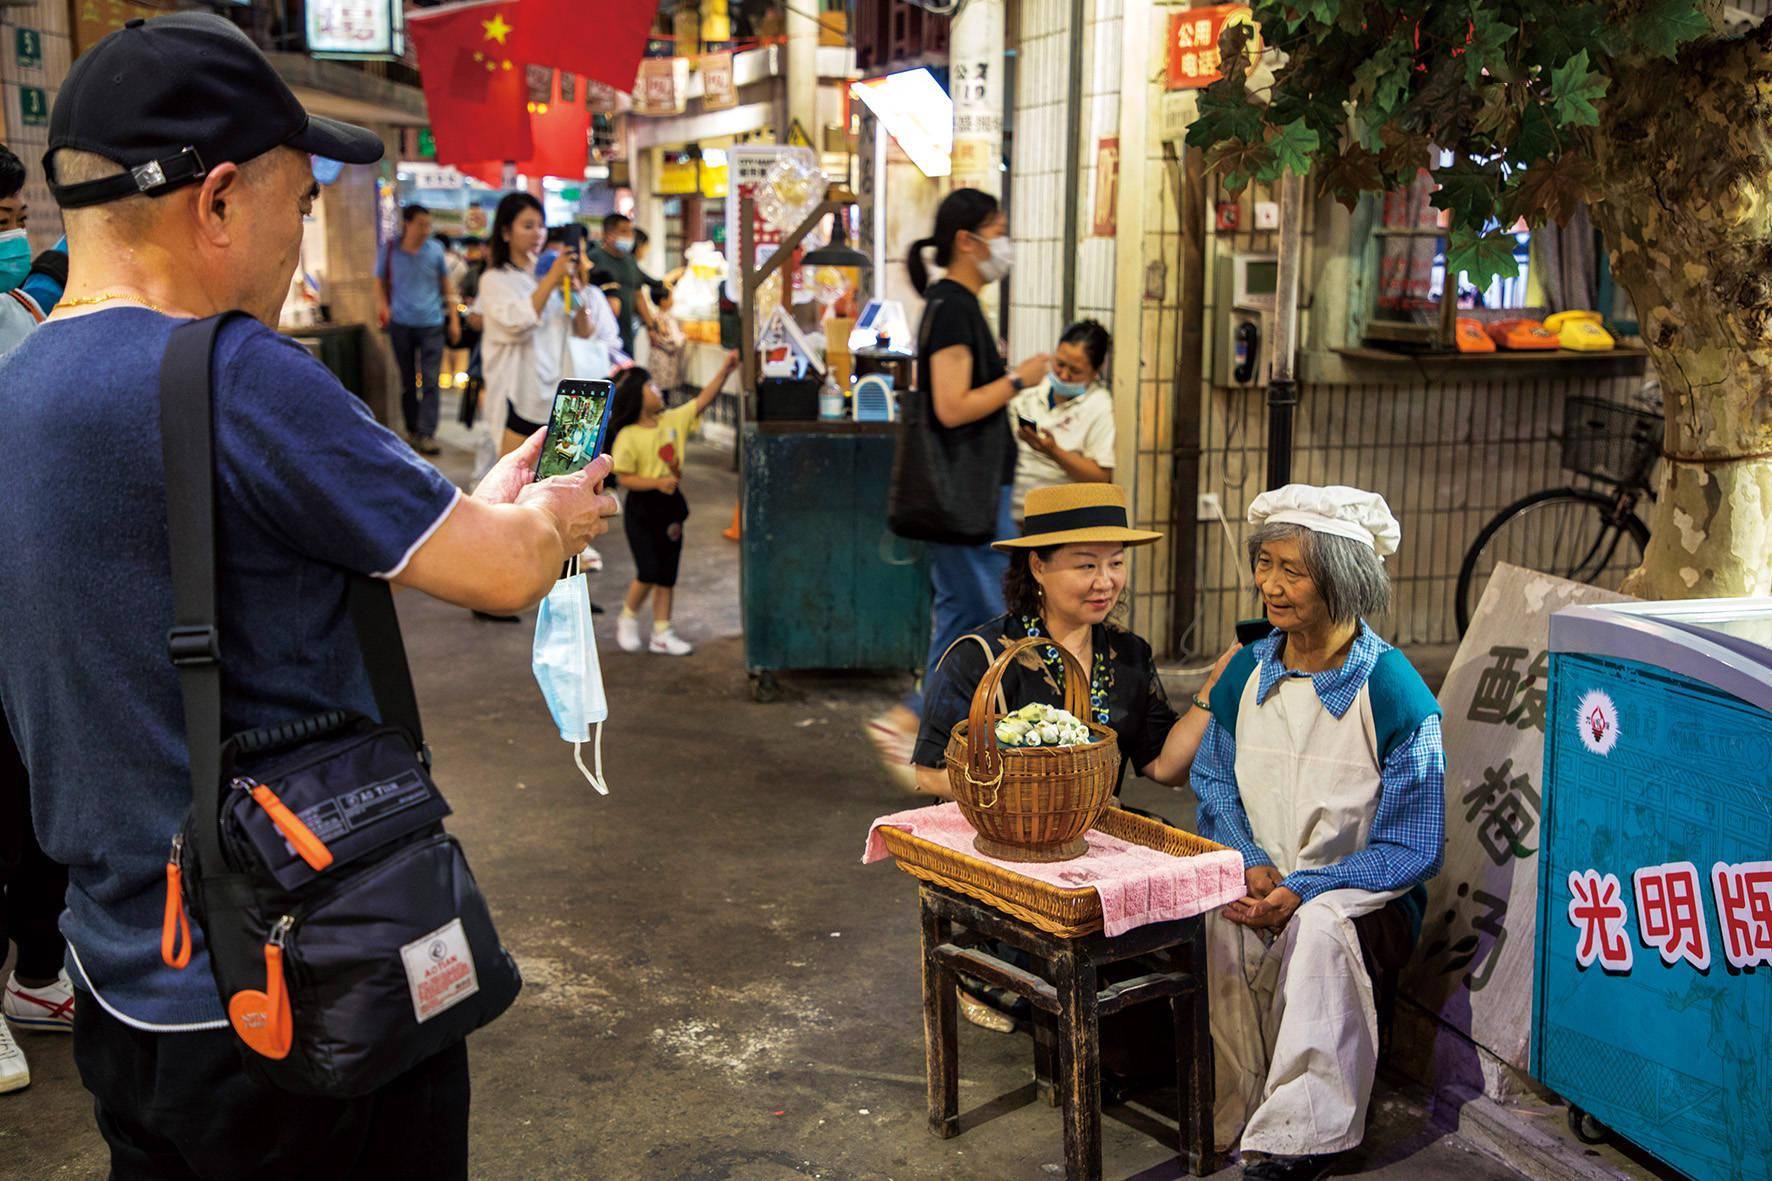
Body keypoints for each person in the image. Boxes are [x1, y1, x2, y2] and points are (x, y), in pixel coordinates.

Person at [0, 15, 618, 1175]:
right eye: (299, 202)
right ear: (219, 201)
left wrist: (478, 507)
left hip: (126, 982)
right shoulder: (233, 372)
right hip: (297, 984)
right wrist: (557, 519)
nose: (299, 238)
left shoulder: (17, 387)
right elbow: (501, 569)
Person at [1190, 484, 1444, 1181]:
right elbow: (1212, 779)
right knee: (1216, 919)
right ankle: (1234, 1108)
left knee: (1319, 932)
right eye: (1265, 564)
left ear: (1344, 580)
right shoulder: (1247, 669)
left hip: (1361, 895)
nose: (1270, 585)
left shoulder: (1394, 691)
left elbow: (1413, 846)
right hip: (1264, 873)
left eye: (1291, 570)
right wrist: (1247, 859)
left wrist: (1306, 886)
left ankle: (1304, 1135)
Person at [867, 188, 1051, 781]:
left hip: (972, 496)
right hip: (965, 500)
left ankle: (924, 738)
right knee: (989, 617)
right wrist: (1018, 379)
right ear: (968, 241)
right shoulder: (952, 306)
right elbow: (950, 407)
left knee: (963, 618)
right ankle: (927, 729)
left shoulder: (957, 304)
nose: (1006, 242)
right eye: (998, 229)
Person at [913, 483, 1232, 798]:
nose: (1105, 582)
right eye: (1087, 565)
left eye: (1116, 563)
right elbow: (929, 774)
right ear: (1038, 566)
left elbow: (1164, 765)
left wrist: (1213, 686)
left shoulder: (1129, 654)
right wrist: (1024, 794)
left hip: (1093, 836)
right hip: (1001, 839)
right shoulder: (980, 657)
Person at [609, 351, 741, 655]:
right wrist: (656, 482)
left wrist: (724, 371)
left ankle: (661, 632)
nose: (658, 390)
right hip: (642, 509)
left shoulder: (672, 420)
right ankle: (628, 617)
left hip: (670, 508)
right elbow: (624, 477)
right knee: (648, 570)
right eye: (651, 386)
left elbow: (703, 400)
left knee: (667, 573)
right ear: (637, 397)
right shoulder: (627, 436)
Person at [476, 193, 588, 460]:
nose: (538, 233)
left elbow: (584, 331)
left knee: (554, 480)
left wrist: (575, 291)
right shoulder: (494, 279)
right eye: (528, 226)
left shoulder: (551, 272)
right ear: (505, 232)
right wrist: (551, 279)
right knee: (516, 478)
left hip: (559, 395)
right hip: (518, 395)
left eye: (541, 225)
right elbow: (517, 324)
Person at [375, 204, 458, 455]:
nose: (425, 230)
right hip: (400, 324)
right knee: (408, 381)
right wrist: (384, 308)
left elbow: (447, 286)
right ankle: (412, 431)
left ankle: (427, 433)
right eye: (421, 224)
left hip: (432, 323)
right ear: (407, 223)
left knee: (431, 381)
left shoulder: (435, 250)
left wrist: (453, 318)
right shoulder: (389, 250)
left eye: (428, 225)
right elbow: (378, 282)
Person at [1011, 319, 1116, 517]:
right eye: (1059, 364)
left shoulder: (1099, 406)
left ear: (1095, 371)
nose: (1063, 375)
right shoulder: (1032, 388)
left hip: (1058, 518)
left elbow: (1101, 478)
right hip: (1011, 511)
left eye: (1075, 371)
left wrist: (1052, 451)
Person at [588, 212, 655, 357]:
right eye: (624, 231)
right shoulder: (594, 258)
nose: (630, 236)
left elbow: (638, 295)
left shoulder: (630, 261)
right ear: (607, 234)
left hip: (627, 334)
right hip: (601, 339)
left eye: (631, 231)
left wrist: (651, 327)